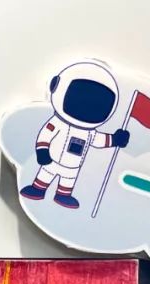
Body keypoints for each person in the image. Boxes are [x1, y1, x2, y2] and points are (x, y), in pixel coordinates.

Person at [20, 60, 130, 209]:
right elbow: (45, 136)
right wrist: (42, 151)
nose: (88, 105)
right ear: (56, 86)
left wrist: (115, 140)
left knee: (68, 180)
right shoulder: (57, 123)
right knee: (46, 174)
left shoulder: (89, 132)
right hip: (52, 160)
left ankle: (63, 195)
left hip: (73, 166)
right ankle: (38, 189)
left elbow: (98, 140)